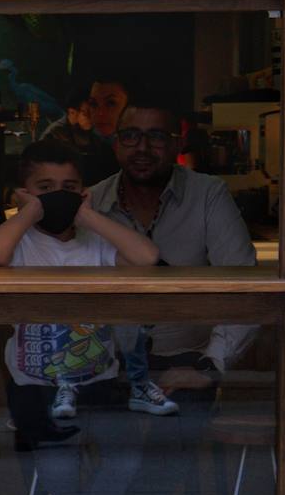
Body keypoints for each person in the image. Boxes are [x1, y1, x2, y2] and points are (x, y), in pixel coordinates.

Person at [0, 139, 171, 441]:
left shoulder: (95, 242)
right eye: (45, 188)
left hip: (97, 379)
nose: (58, 196)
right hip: (35, 384)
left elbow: (146, 257)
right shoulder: (18, 243)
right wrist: (32, 211)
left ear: (82, 192)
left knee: (116, 470)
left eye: (68, 188)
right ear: (25, 194)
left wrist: (87, 216)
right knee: (54, 473)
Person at [89, 102, 259, 392]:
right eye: (131, 135)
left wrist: (210, 364)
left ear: (176, 143)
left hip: (187, 361)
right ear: (116, 144)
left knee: (176, 434)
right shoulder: (91, 204)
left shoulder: (207, 194)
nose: (142, 147)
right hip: (104, 364)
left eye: (156, 136)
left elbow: (246, 285)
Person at [45, 84, 121, 186]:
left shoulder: (99, 140)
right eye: (86, 113)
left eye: (93, 111)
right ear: (72, 113)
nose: (92, 117)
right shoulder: (54, 138)